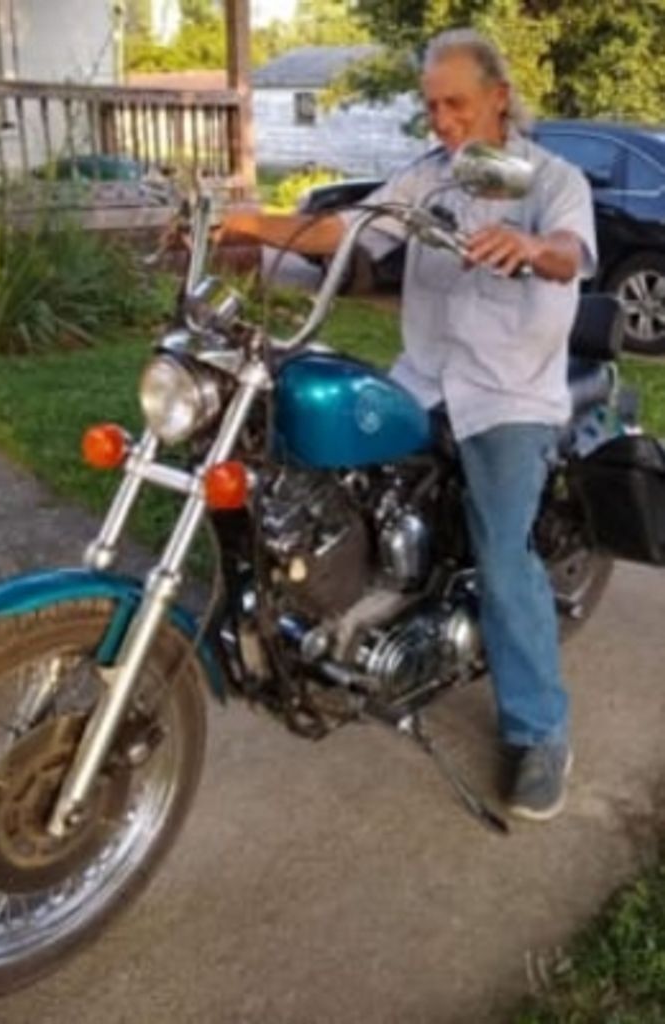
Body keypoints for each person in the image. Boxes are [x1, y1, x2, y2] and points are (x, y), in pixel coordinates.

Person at [219, 28, 597, 821]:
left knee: (503, 557)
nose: (444, 120)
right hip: (422, 380)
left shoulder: (553, 180)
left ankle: (540, 733)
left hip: (508, 394)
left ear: (499, 98)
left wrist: (530, 244)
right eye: (432, 107)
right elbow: (346, 230)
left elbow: (568, 253)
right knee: (324, 479)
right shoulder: (427, 177)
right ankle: (348, 616)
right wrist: (249, 227)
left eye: (457, 104)